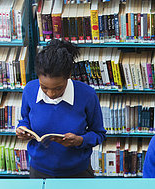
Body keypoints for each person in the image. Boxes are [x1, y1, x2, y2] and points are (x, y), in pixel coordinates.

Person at [16, 39, 106, 178]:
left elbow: (99, 134)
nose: (51, 94)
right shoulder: (30, 90)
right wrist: (23, 129)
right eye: (44, 87)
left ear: (68, 76)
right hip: (39, 170)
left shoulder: (87, 95)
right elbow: (26, 119)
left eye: (58, 88)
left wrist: (80, 141)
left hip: (78, 172)